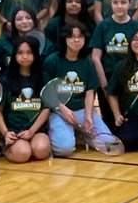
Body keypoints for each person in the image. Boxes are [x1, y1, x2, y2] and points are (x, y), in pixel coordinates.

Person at [44, 22, 114, 156]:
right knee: (64, 150)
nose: (76, 40)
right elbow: (48, 92)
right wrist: (63, 109)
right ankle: (64, 131)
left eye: (80, 36)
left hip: (81, 110)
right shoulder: (52, 61)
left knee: (109, 143)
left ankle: (81, 133)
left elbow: (89, 93)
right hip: (59, 111)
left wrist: (88, 117)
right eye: (71, 37)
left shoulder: (87, 63)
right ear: (64, 39)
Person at [90, 0, 138, 125]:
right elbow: (96, 58)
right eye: (115, 2)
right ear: (110, 3)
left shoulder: (137, 26)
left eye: (123, 2)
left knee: (127, 123)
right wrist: (105, 86)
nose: (119, 6)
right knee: (110, 124)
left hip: (130, 81)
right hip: (107, 79)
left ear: (130, 4)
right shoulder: (103, 26)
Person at [0, 37, 52, 163]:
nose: (24, 56)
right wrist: (5, 133)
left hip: (36, 130)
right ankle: (4, 147)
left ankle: (29, 145)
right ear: (14, 55)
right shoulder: (5, 79)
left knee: (41, 150)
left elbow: (46, 108)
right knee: (22, 154)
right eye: (20, 53)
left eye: (29, 52)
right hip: (13, 130)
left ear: (35, 55)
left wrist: (31, 131)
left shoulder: (43, 77)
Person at [0, 7, 51, 72]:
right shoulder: (2, 43)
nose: (24, 21)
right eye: (19, 19)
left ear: (34, 20)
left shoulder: (46, 43)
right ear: (13, 22)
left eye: (28, 18)